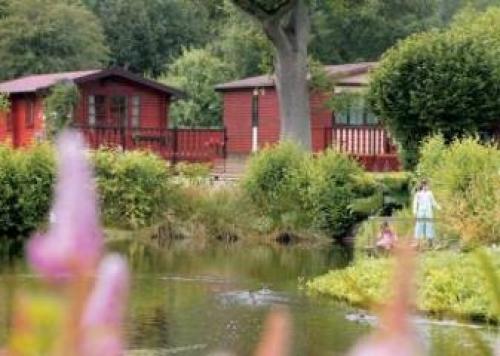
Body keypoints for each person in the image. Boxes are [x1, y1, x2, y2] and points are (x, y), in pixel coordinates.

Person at [413, 179, 440, 246]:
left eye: (426, 184)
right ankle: (418, 243)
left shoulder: (430, 193)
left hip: (428, 211)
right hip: (420, 212)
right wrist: (415, 212)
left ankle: (430, 242)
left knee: (429, 225)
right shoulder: (418, 194)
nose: (425, 186)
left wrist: (439, 208)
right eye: (424, 184)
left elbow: (433, 202)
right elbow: (415, 203)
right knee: (419, 225)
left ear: (427, 185)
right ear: (422, 185)